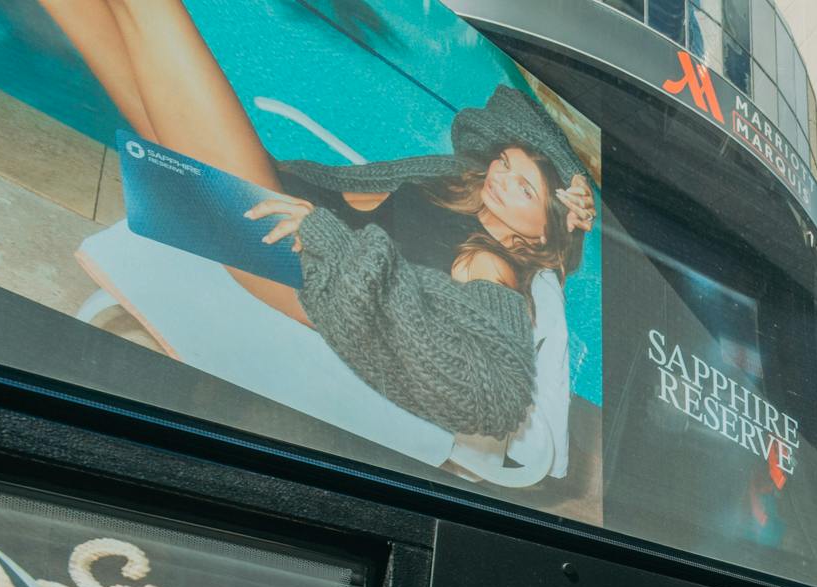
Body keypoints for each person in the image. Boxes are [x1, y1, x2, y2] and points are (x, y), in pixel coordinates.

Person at [33, 0, 593, 439]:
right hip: (278, 196)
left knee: (149, 9)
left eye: (521, 188)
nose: (499, 176)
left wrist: (328, 241)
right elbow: (493, 120)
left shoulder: (490, 268)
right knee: (89, 14)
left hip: (280, 249)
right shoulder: (466, 188)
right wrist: (566, 181)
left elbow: (492, 395)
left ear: (538, 235)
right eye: (505, 165)